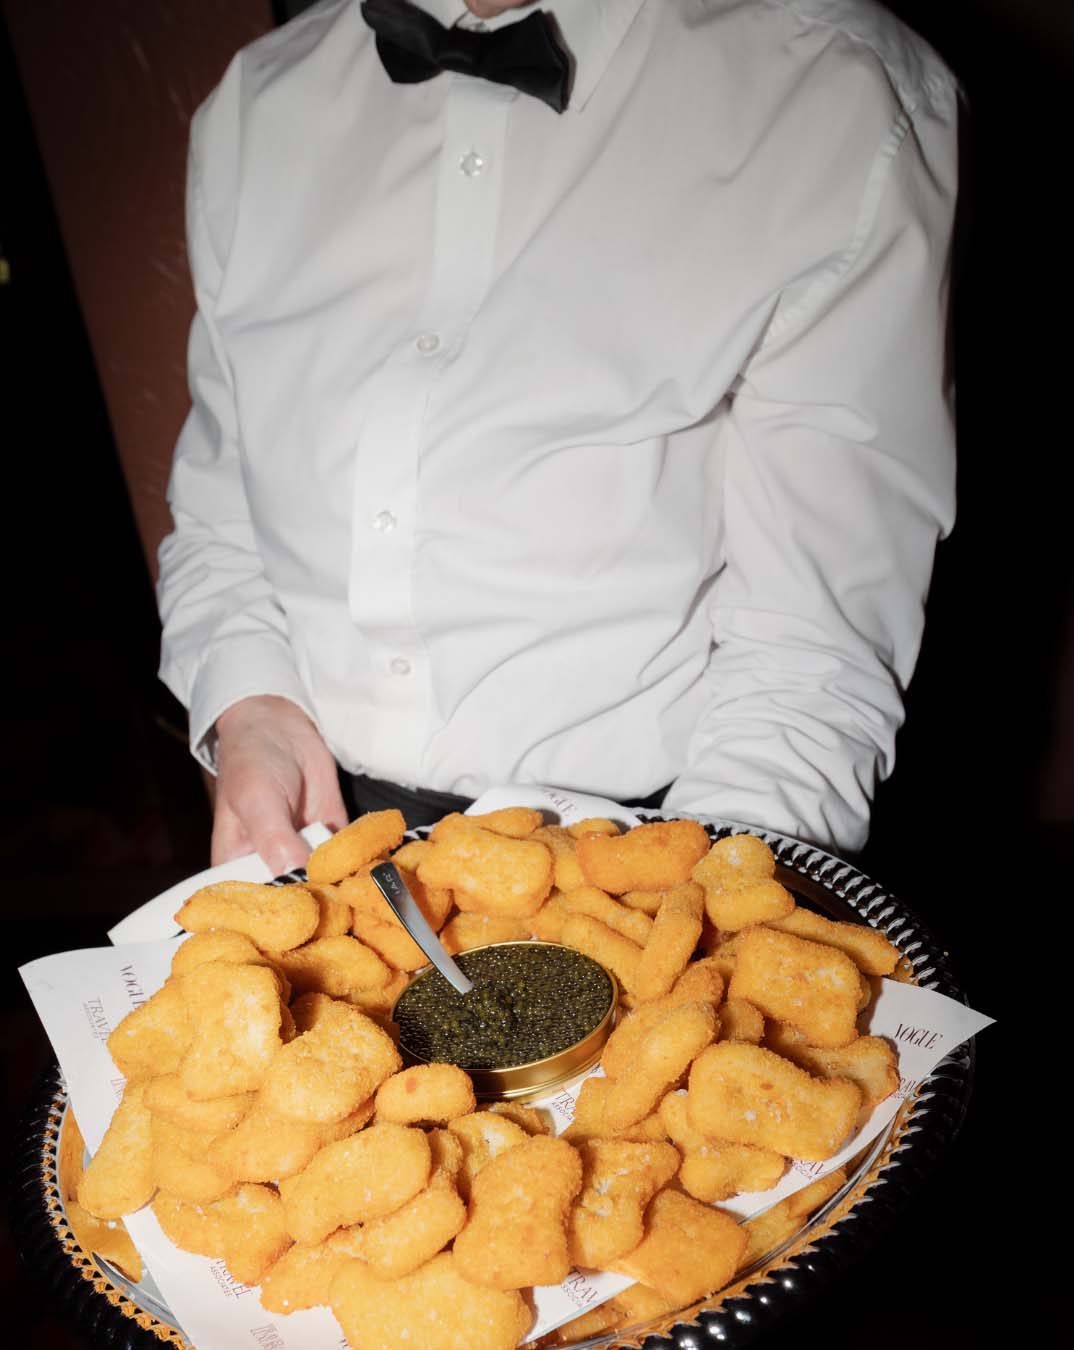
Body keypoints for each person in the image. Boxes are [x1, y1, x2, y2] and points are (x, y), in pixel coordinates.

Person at [157, 0, 958, 874]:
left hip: (666, 840)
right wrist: (252, 703)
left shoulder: (834, 84)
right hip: (324, 845)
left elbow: (809, 654)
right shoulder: (257, 103)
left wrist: (692, 915)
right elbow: (222, 517)